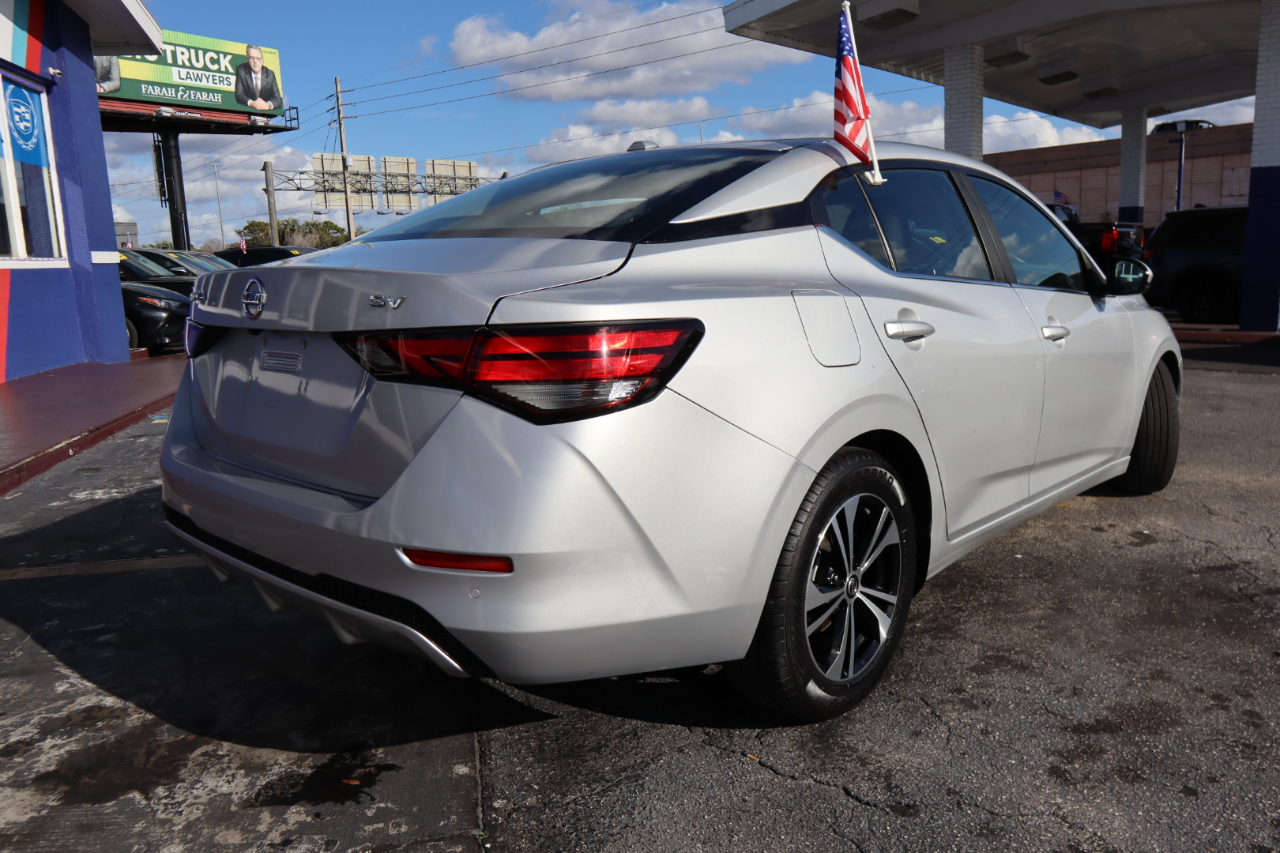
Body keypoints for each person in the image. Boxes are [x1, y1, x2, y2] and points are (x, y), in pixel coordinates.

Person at [234, 45, 281, 111]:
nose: (255, 61)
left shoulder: (270, 74)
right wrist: (252, 103)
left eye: (258, 58)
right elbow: (239, 94)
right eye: (251, 58)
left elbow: (278, 99)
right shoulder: (241, 70)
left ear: (262, 60)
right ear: (247, 59)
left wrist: (268, 105)